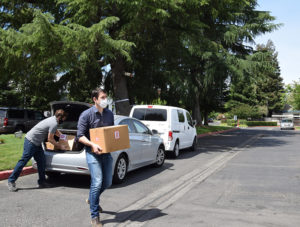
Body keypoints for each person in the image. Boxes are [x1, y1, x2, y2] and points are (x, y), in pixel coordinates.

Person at [77, 88, 114, 227]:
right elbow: (80, 136)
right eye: (103, 97)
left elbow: (111, 132)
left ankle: (92, 199)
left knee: (108, 182)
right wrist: (92, 145)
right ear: (95, 99)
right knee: (97, 182)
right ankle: (95, 216)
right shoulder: (86, 115)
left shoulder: (110, 114)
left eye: (106, 97)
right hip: (92, 153)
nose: (106, 100)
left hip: (107, 153)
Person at [7, 109, 68, 192]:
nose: (64, 120)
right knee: (23, 161)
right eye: (64, 118)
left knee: (42, 162)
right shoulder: (53, 122)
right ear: (60, 117)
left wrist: (65, 137)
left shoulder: (53, 120)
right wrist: (60, 146)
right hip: (31, 141)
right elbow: (50, 139)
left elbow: (55, 131)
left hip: (37, 143)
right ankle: (11, 181)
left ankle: (42, 182)